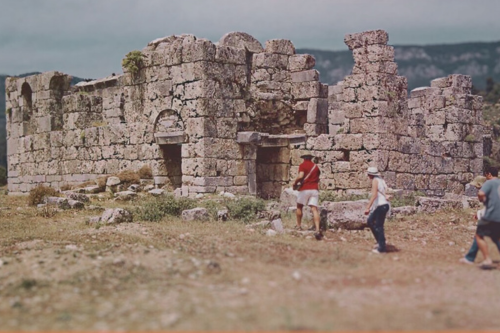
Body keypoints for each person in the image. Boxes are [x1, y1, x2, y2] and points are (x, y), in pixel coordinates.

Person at [459, 176, 500, 264]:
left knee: (479, 235)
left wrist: (479, 214)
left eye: (476, 186)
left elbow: (489, 207)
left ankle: (472, 258)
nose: (475, 188)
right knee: (494, 237)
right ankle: (470, 257)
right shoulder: (495, 188)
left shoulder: (486, 190)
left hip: (491, 217)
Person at [474, 167, 500, 267]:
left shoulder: (489, 183)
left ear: (489, 174)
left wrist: (482, 199)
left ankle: (487, 260)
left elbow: (481, 193)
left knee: (479, 235)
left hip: (491, 215)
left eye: (486, 175)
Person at [292, 153, 322, 240]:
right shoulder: (316, 167)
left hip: (305, 189)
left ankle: (298, 225)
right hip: (314, 189)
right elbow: (318, 178)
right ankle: (317, 229)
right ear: (311, 158)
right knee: (314, 209)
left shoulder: (302, 165)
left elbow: (301, 176)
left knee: (299, 206)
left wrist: (295, 182)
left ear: (304, 158)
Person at [364, 167, 390, 253]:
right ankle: (380, 241)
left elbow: (374, 195)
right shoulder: (381, 180)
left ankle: (381, 248)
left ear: (370, 175)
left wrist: (368, 207)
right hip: (385, 205)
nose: (368, 176)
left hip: (381, 205)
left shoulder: (375, 181)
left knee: (377, 225)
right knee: (371, 222)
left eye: (368, 174)